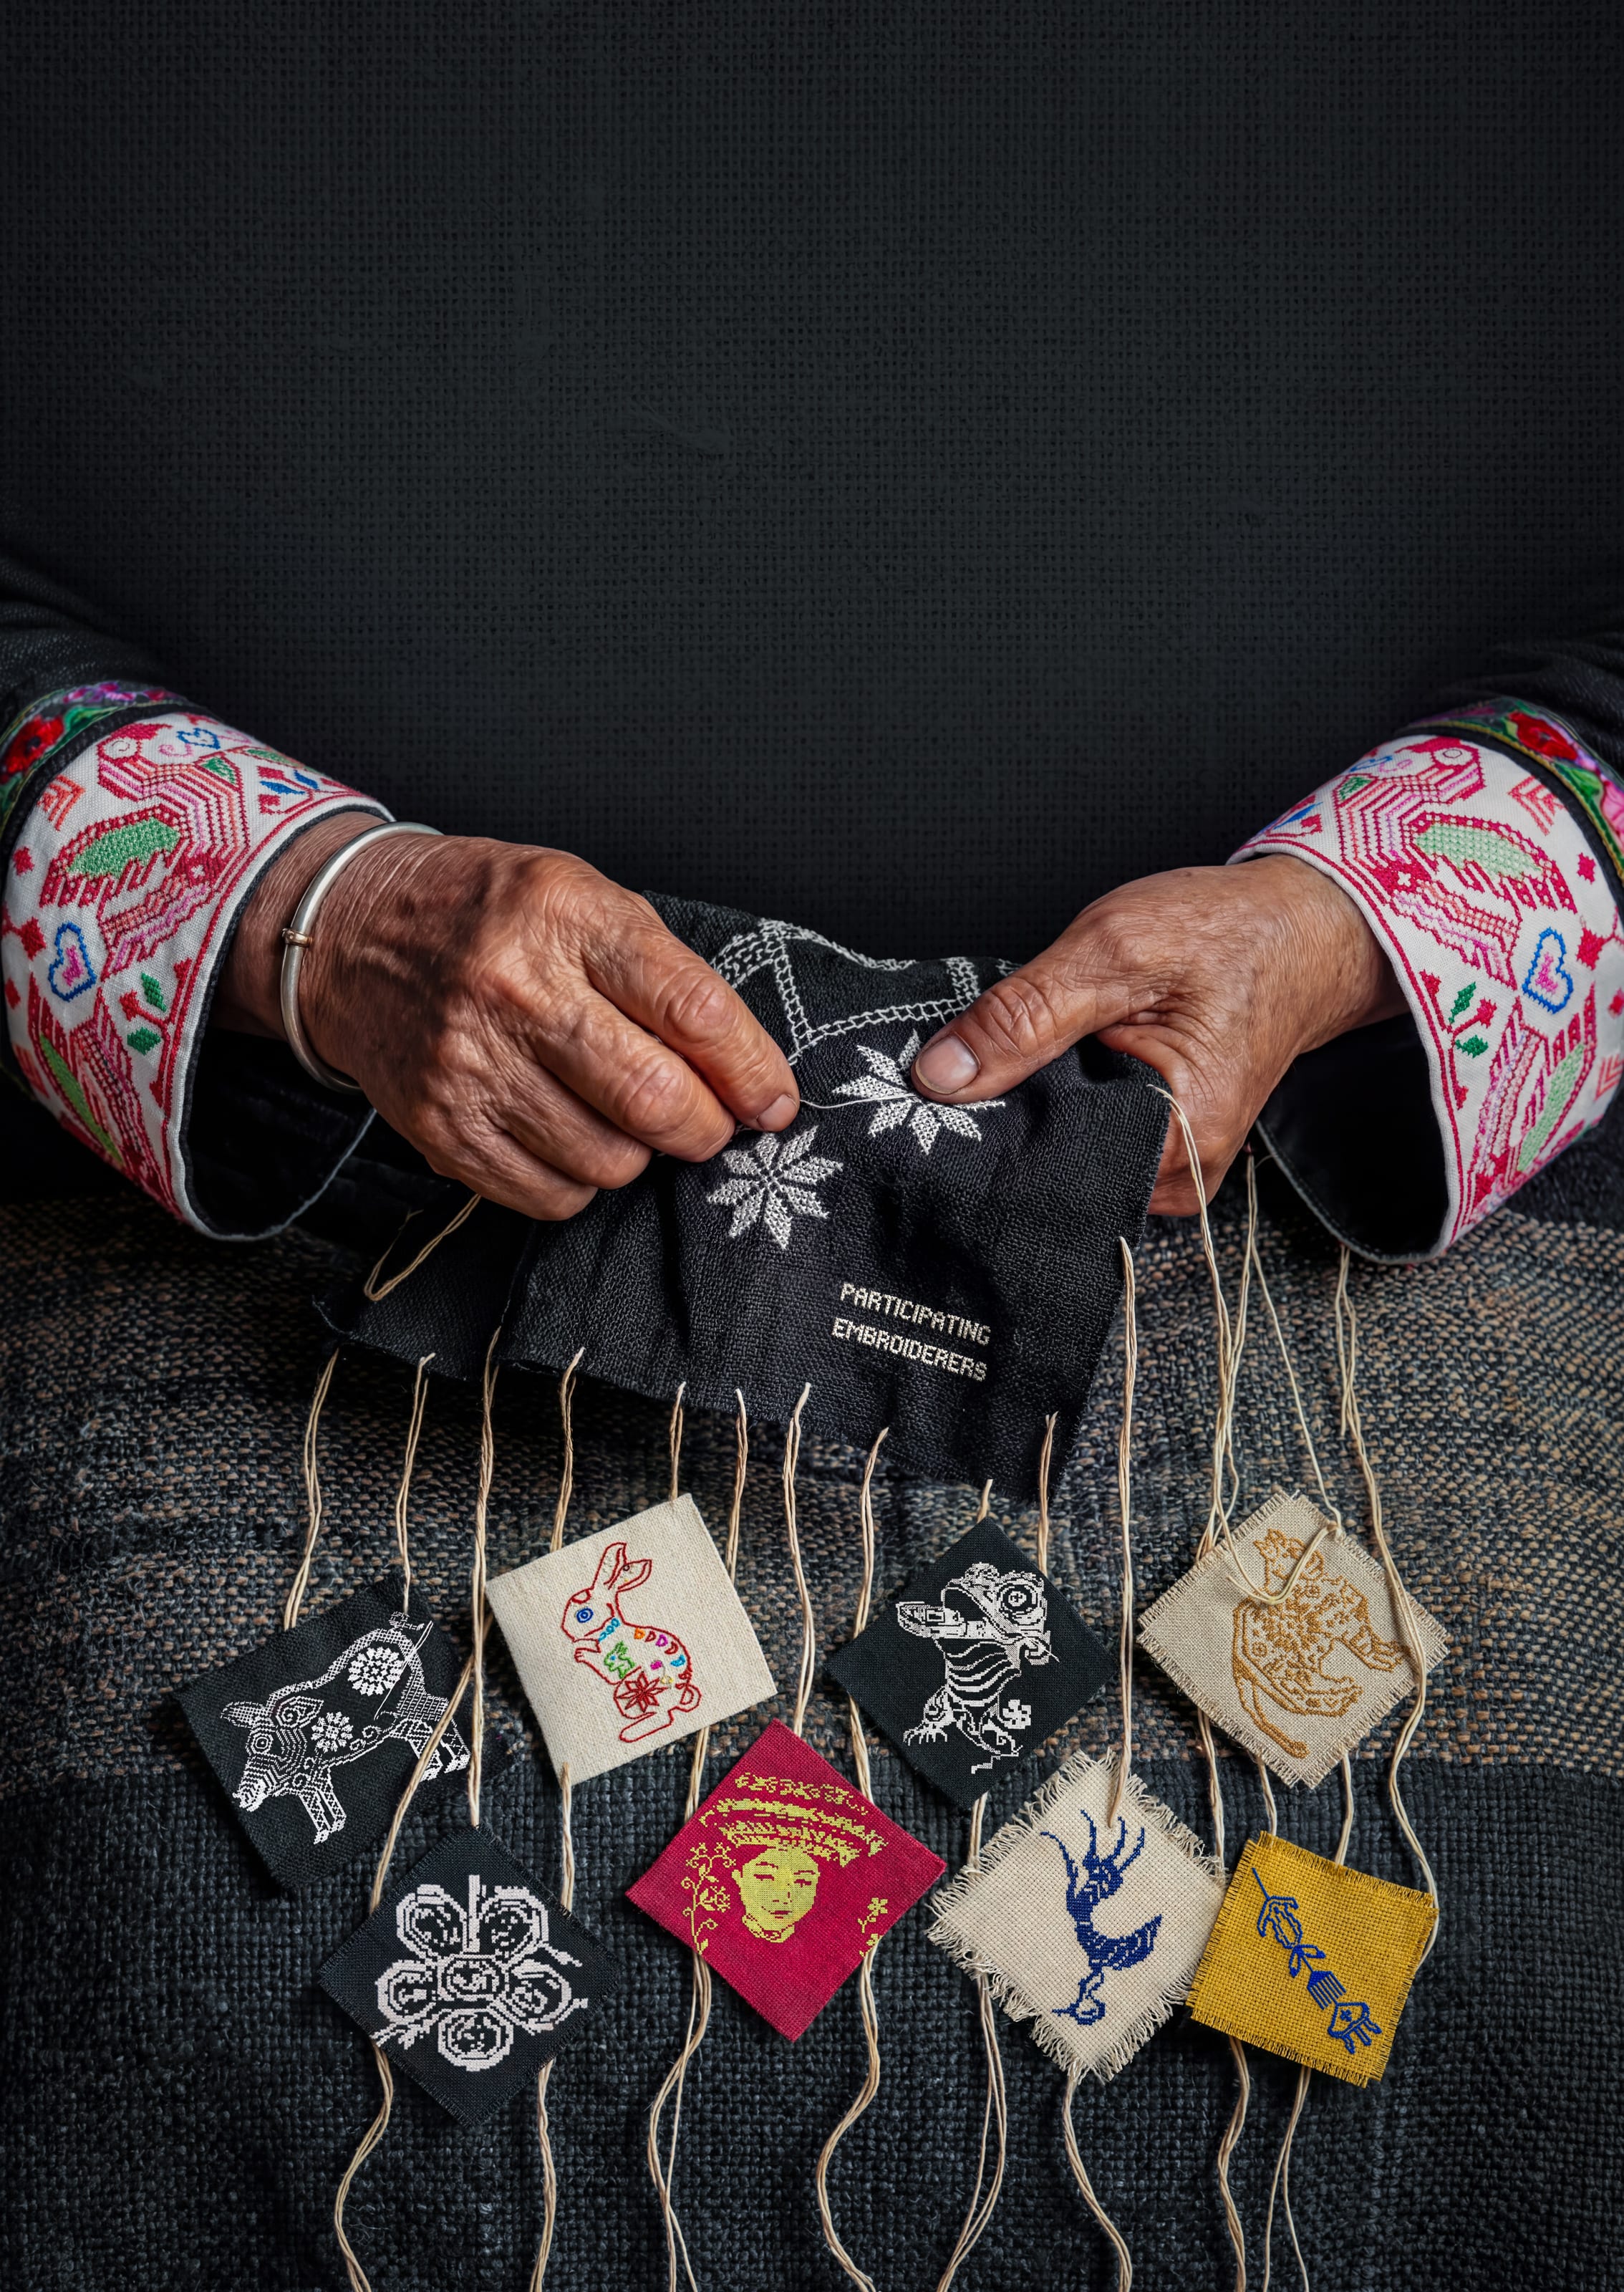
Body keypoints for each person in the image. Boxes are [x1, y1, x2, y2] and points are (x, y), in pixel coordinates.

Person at [2, 9, 1622, 2288]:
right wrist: (309, 914)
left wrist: (1352, 927)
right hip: (297, 1194)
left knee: (1515, 1992)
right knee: (166, 1960)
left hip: (1322, 1232)